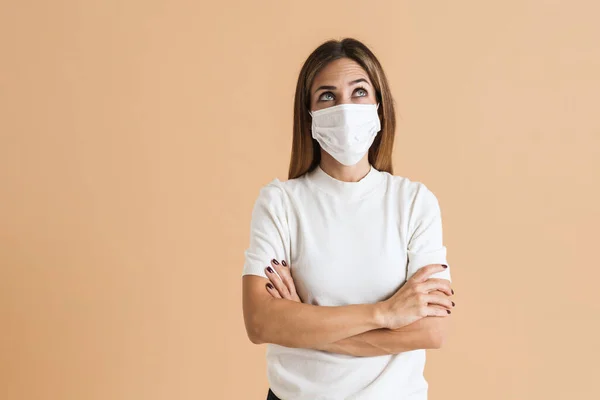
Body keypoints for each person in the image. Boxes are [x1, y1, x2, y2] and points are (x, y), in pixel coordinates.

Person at [241, 37, 455, 400]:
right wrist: (384, 314)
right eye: (327, 96)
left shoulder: (414, 202)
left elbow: (432, 332)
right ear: (308, 115)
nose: (344, 108)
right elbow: (260, 322)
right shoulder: (280, 202)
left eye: (359, 92)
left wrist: (303, 324)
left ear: (378, 106)